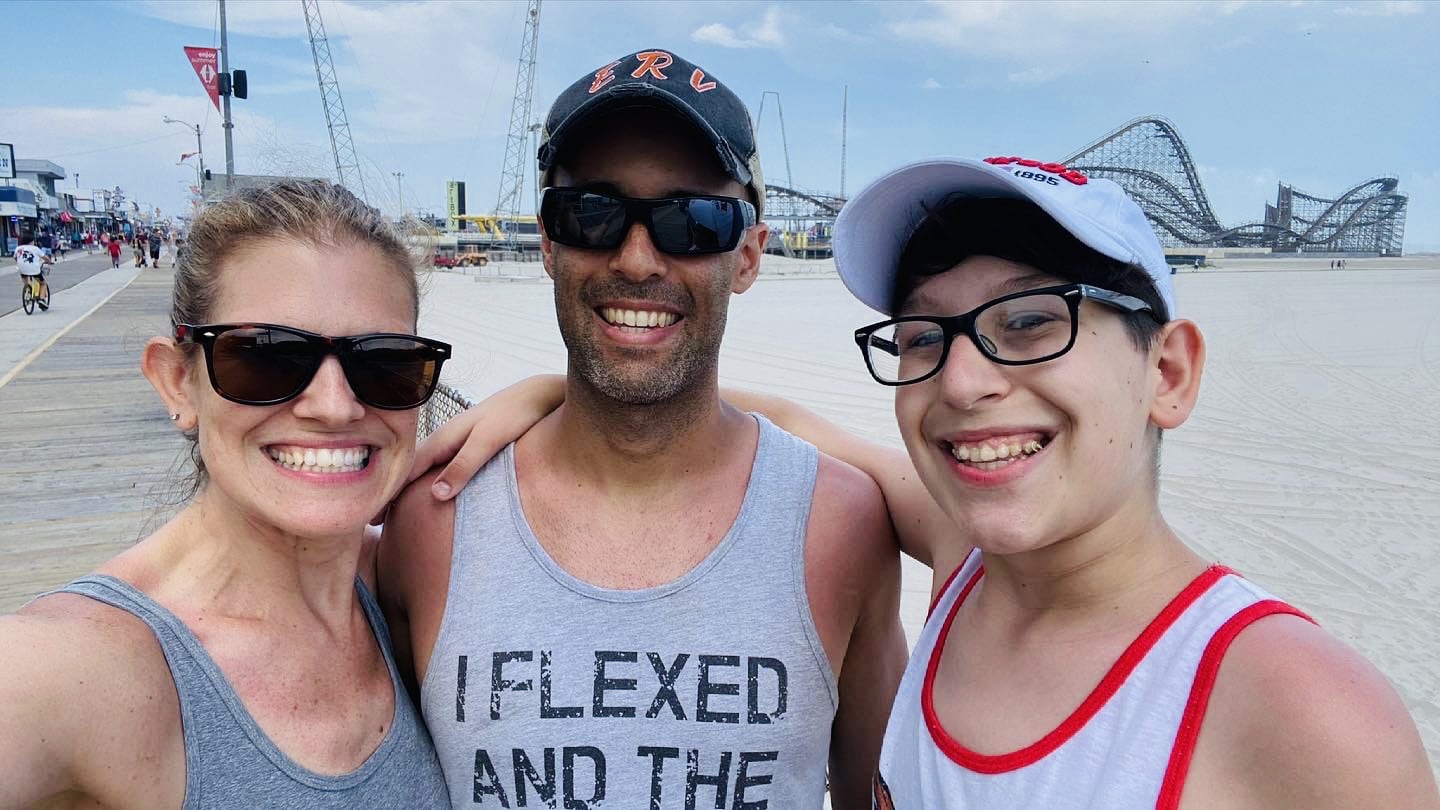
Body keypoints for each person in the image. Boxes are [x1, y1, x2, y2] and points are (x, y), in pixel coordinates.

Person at [414, 156, 1439, 807]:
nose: (964, 379)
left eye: (1033, 321)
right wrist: (558, 390)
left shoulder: (1295, 706)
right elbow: (778, 420)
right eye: (922, 336)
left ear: (1166, 373)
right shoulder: (961, 568)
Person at [378, 48, 906, 808]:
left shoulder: (844, 525)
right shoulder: (433, 524)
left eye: (691, 221)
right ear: (550, 243)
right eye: (592, 213)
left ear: (749, 254)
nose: (635, 258)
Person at [0, 180, 453, 808]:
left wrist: (551, 399)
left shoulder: (405, 581)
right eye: (266, 357)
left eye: (384, 362)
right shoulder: (69, 668)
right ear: (178, 383)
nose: (335, 406)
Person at [14, 232, 51, 308]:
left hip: (22, 269)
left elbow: (15, 257)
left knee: (25, 280)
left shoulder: (18, 248)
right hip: (34, 270)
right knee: (43, 283)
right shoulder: (35, 248)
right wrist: (49, 261)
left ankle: (28, 289)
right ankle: (41, 299)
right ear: (31, 241)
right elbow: (45, 258)